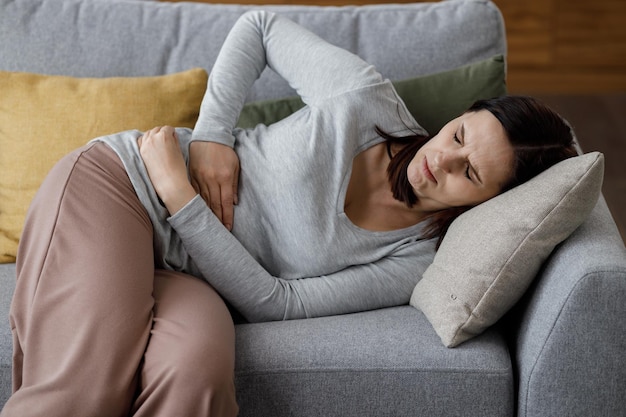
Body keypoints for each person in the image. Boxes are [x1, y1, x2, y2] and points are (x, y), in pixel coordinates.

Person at [2, 10, 577, 417]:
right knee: (87, 393)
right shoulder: (362, 99)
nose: (441, 161)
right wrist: (209, 137)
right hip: (123, 187)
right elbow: (260, 28)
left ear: (489, 203)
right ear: (461, 115)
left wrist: (184, 199)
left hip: (186, 266)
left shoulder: (415, 260)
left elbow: (279, 302)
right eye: (458, 135)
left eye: (469, 174)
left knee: (195, 379)